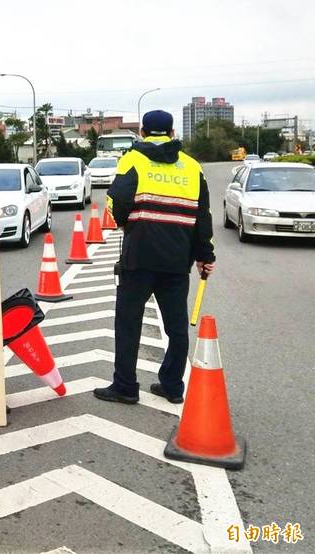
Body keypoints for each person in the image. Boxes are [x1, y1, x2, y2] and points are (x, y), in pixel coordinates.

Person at [94, 110, 215, 405]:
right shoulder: (192, 167)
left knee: (128, 323)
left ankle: (125, 386)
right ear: (172, 132)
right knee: (176, 326)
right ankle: (172, 386)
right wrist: (205, 254)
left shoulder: (133, 159)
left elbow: (117, 199)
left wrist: (124, 220)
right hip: (177, 260)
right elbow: (203, 215)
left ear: (144, 132)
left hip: (139, 256)